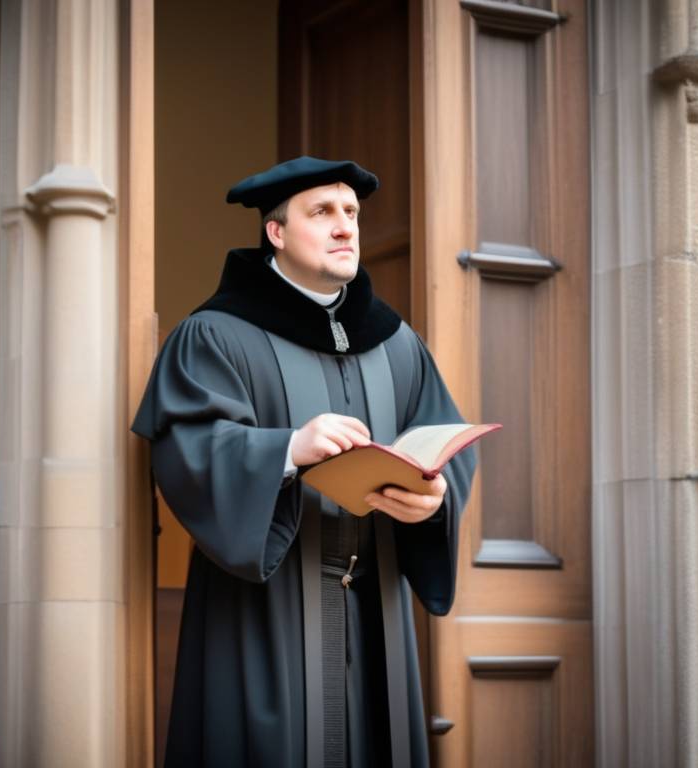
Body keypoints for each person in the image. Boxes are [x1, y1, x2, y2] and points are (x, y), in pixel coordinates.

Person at [132, 157, 477, 767]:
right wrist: (287, 449)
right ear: (276, 232)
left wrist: (435, 498)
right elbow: (187, 449)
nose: (345, 227)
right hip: (262, 614)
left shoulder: (396, 343)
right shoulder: (215, 336)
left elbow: (444, 446)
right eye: (322, 213)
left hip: (376, 609)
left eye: (352, 213)